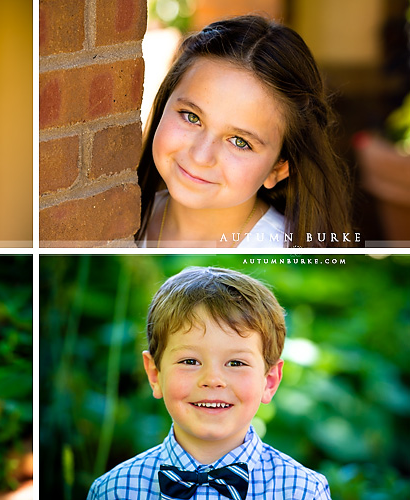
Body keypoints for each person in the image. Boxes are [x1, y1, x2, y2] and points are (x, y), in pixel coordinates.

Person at [87, 266, 330, 499]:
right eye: (190, 361)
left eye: (236, 363)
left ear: (269, 381)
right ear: (155, 374)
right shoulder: (114, 490)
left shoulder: (303, 491)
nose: (212, 380)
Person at [136, 15, 353, 248]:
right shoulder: (123, 216)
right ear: (164, 102)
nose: (200, 156)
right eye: (192, 117)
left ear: (279, 168)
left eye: (239, 141)